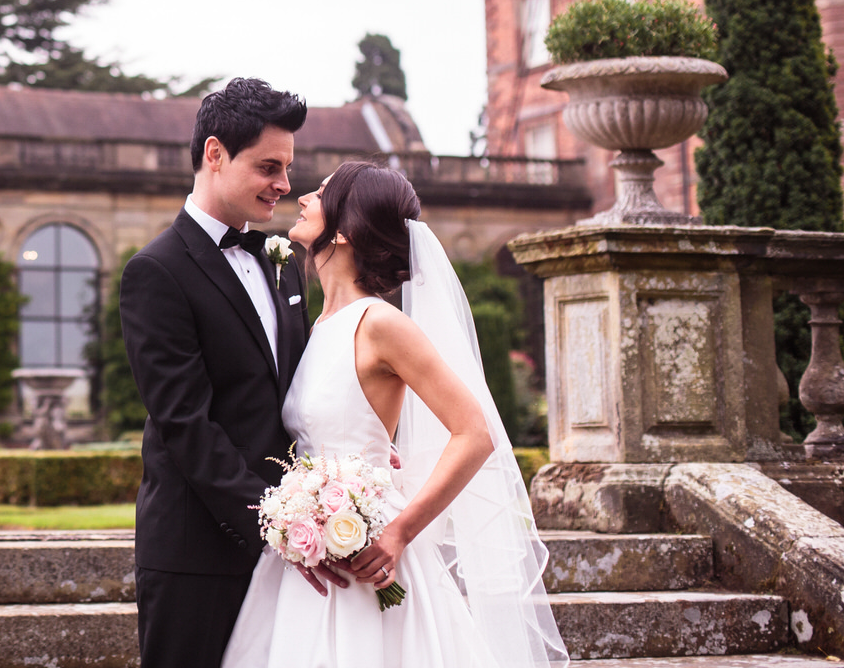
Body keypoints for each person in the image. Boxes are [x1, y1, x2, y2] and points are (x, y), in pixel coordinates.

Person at [220, 161, 567, 668]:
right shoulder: (318, 324)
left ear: (343, 231)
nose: (302, 198)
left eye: (319, 193)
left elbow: (474, 433)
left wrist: (399, 531)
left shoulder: (381, 322)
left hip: (368, 548)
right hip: (309, 547)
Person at [120, 78, 314, 668]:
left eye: (287, 167)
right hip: (197, 555)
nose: (284, 184)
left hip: (296, 548)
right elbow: (186, 425)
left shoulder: (283, 263)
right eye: (268, 167)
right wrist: (276, 522)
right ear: (214, 154)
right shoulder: (155, 272)